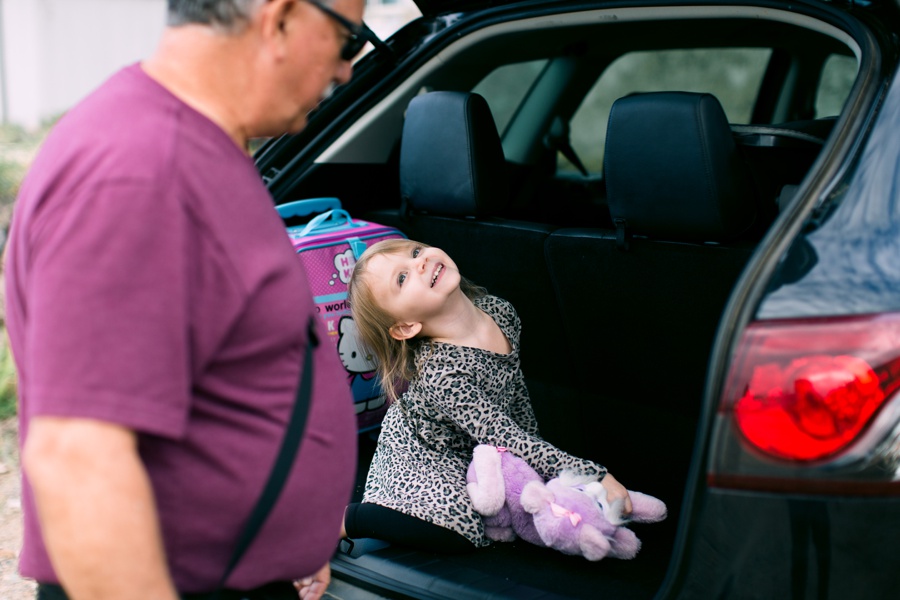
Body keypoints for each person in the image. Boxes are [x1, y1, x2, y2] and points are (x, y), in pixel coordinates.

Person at [3, 1, 370, 598]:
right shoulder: (142, 171)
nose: (345, 72)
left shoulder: (188, 144)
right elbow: (80, 463)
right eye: (347, 40)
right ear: (278, 19)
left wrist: (287, 536)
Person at [341, 239, 632, 551]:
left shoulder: (500, 312)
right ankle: (351, 520)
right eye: (402, 278)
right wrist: (592, 476)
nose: (420, 262)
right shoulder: (442, 373)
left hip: (478, 446)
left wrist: (537, 475)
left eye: (415, 252)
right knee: (461, 529)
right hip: (426, 452)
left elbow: (515, 395)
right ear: (406, 327)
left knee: (506, 508)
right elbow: (504, 436)